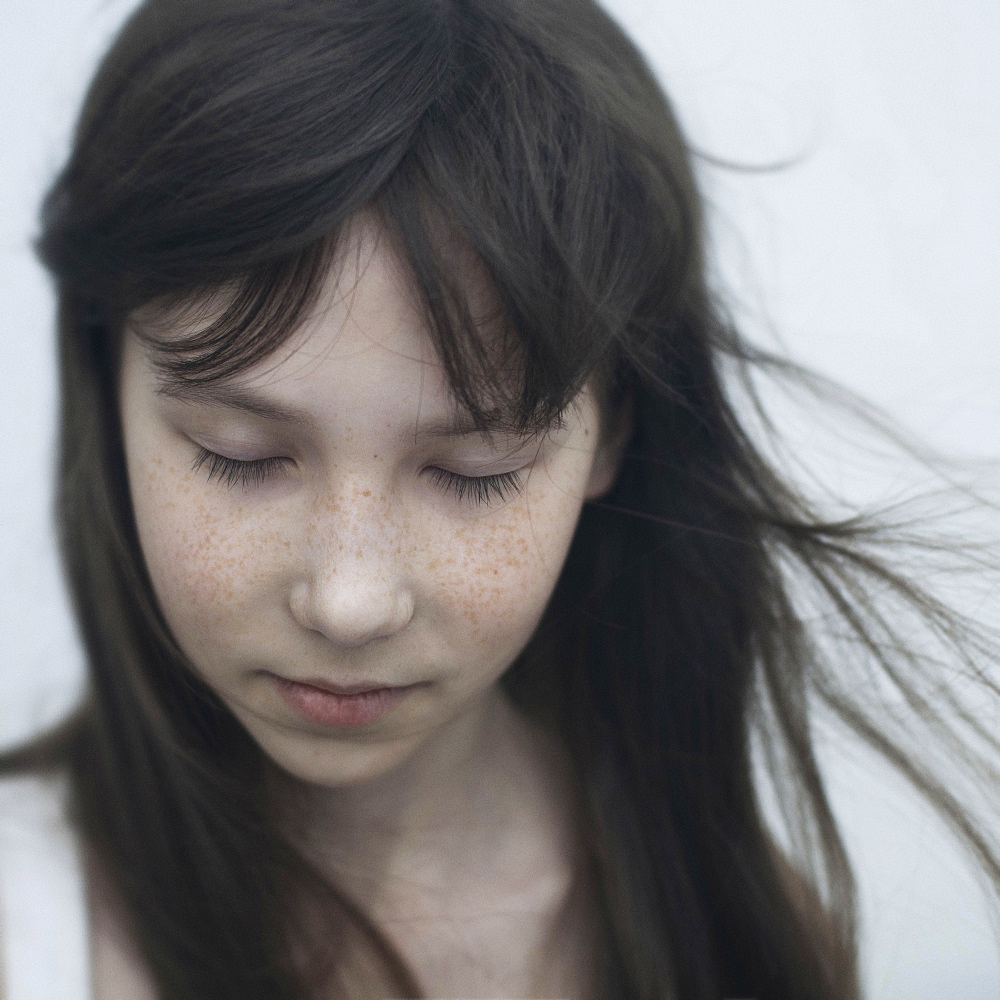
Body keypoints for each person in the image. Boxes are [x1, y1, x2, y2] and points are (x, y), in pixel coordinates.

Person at [0, 0, 997, 997]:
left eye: (473, 470)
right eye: (243, 453)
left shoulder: (742, 935)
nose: (350, 600)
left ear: (611, 432)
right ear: (106, 382)